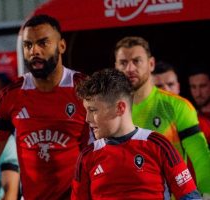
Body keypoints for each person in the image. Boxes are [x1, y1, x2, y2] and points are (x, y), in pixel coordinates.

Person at [0, 14, 90, 200]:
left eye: (43, 43)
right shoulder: (11, 96)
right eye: (28, 45)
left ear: (61, 46)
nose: (34, 51)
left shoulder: (85, 90)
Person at [72, 68, 201, 200]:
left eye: (93, 110)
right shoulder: (87, 156)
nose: (87, 118)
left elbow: (190, 196)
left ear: (120, 108)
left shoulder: (159, 145)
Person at [114, 36, 210, 198]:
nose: (130, 68)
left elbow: (200, 157)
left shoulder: (177, 106)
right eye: (123, 63)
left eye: (137, 61)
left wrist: (207, 193)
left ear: (151, 64)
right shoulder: (108, 109)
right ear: (115, 67)